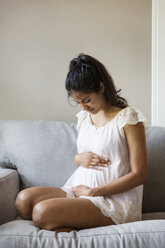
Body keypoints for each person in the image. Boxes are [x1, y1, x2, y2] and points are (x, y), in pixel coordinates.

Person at [15, 53, 148, 233]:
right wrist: (79, 159)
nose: (83, 107)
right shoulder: (84, 117)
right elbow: (88, 153)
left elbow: (139, 174)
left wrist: (94, 192)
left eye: (86, 100)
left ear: (101, 88)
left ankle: (74, 226)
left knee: (41, 213)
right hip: (79, 189)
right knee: (23, 201)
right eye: (77, 102)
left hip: (112, 200)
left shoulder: (128, 119)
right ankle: (72, 220)